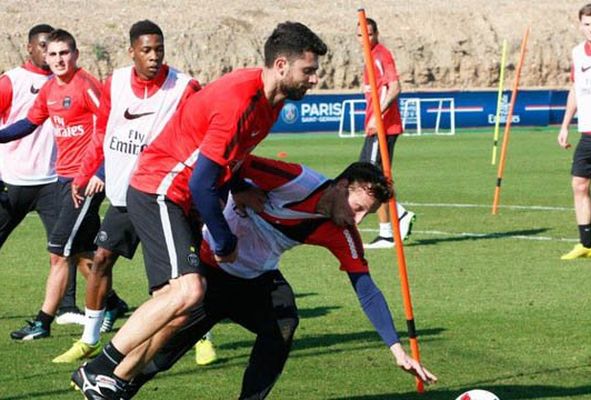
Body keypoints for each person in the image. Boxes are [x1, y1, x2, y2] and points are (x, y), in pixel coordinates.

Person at [71, 21, 329, 399]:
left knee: (176, 309)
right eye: (309, 71)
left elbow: (227, 165)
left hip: (180, 199)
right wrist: (223, 242)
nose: (315, 79)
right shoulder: (239, 98)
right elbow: (200, 183)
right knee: (190, 291)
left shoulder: (269, 107)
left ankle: (116, 384)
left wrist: (239, 187)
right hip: (160, 189)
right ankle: (99, 369)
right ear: (280, 65)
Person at [116, 156, 437, 399]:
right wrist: (239, 188)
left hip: (256, 280)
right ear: (341, 186)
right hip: (208, 271)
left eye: (366, 213)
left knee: (283, 323)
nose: (358, 218)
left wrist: (397, 350)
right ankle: (114, 387)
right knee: (160, 356)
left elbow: (365, 288)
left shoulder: (342, 232)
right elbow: (231, 161)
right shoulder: (295, 180)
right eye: (357, 207)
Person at [52, 20, 201, 363]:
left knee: (173, 282)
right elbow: (102, 132)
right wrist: (83, 174)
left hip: (160, 197)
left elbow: (197, 137)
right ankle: (89, 338)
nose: (154, 57)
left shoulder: (183, 87)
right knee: (101, 259)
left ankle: (200, 338)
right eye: (146, 50)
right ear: (131, 51)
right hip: (122, 195)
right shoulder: (116, 82)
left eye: (159, 50)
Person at [0, 29, 106, 340]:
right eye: (54, 54)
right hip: (62, 179)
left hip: (82, 181)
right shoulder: (49, 89)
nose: (59, 59)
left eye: (64, 53)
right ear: (45, 57)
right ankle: (108, 304)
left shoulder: (86, 85)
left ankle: (43, 322)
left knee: (58, 251)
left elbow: (112, 125)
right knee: (89, 252)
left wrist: (99, 171)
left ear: (75, 55)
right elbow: (28, 123)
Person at [356, 18, 416, 249]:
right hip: (376, 126)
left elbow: (395, 87)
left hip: (383, 126)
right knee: (375, 176)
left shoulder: (381, 55)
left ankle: (399, 215)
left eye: (369, 34)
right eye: (361, 35)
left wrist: (377, 114)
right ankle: (386, 233)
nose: (365, 39)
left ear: (376, 34)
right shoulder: (370, 58)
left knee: (368, 175)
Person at [558, 3, 591, 260]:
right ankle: (586, 245)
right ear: (580, 25)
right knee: (579, 185)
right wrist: (565, 125)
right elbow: (575, 89)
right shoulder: (577, 53)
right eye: (587, 24)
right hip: (587, 134)